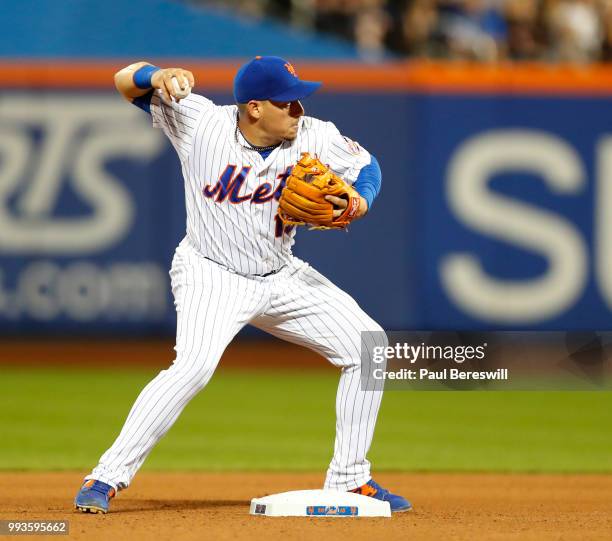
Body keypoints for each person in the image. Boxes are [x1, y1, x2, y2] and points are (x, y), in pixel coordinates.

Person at [73, 56, 411, 514]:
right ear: (254, 107)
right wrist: (155, 75)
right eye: (287, 102)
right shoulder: (200, 120)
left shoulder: (315, 134)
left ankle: (350, 478)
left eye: (299, 100)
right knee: (192, 368)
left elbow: (369, 166)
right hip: (211, 272)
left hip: (280, 273)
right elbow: (122, 81)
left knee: (370, 346)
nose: (298, 109)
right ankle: (106, 477)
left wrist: (362, 200)